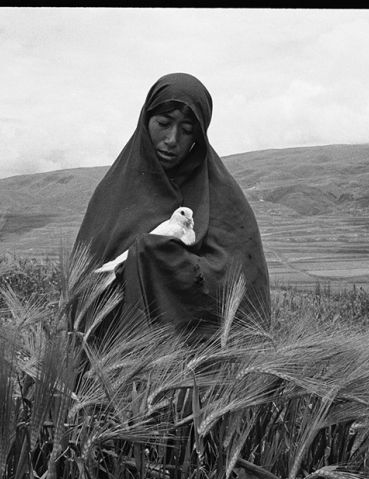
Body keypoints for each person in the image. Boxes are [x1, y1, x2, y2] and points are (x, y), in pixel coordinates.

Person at [73, 73, 270, 339]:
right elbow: (85, 282)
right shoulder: (113, 193)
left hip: (188, 368)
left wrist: (156, 258)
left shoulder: (222, 195)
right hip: (109, 358)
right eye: (163, 123)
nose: (172, 139)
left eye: (187, 130)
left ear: (198, 138)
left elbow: (239, 281)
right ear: (145, 121)